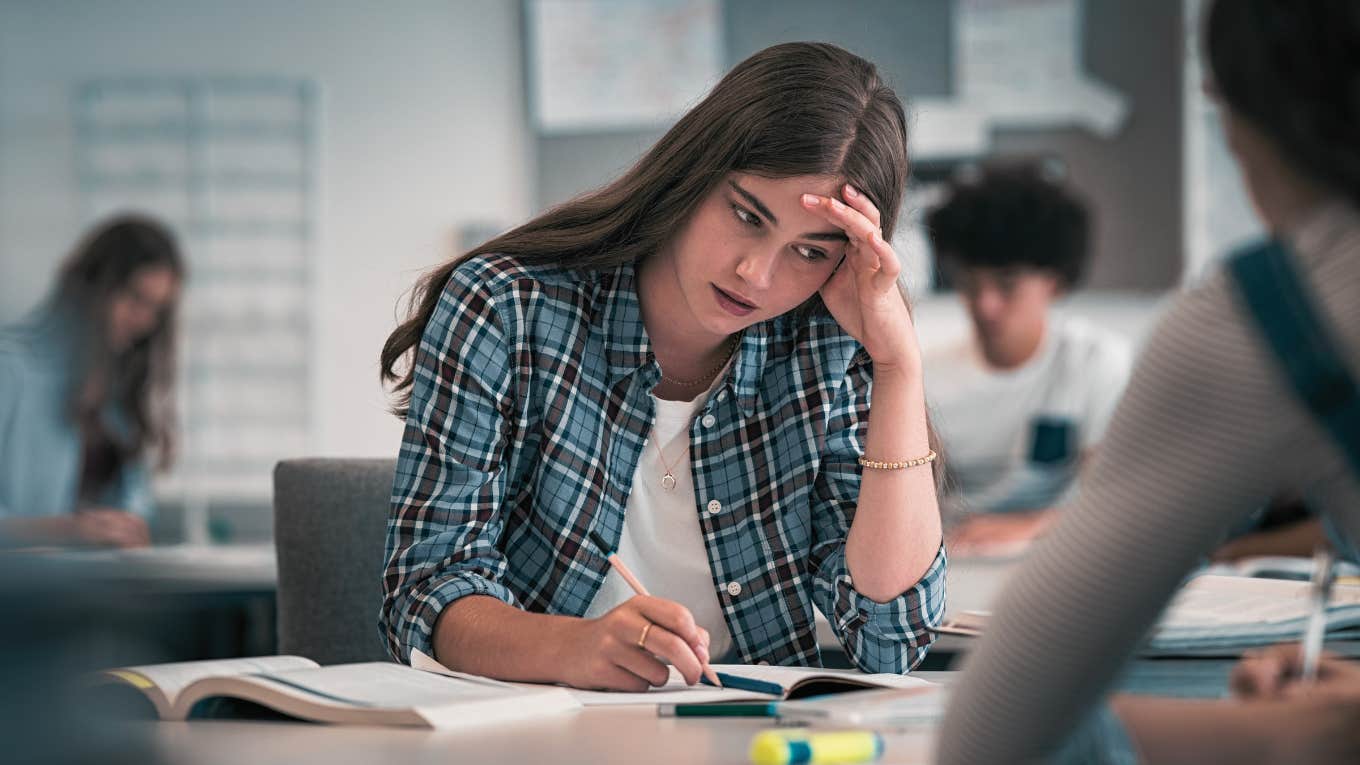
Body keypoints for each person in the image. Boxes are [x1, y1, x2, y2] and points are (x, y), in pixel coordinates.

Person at [378, 42, 947, 692]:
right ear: (694, 172)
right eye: (746, 215)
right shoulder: (507, 306)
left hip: (744, 736)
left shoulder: (827, 347)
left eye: (809, 251)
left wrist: (898, 363)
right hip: (531, 731)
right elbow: (425, 592)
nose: (756, 274)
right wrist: (577, 648)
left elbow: (892, 636)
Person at [938, 1, 1360, 762]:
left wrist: (1286, 734)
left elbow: (990, 737)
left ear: (1230, 113)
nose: (985, 304)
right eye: (971, 282)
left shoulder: (1270, 321)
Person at [923, 162, 1132, 555]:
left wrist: (1028, 527)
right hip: (951, 558)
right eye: (970, 284)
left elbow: (1116, 502)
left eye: (1007, 285)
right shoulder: (924, 377)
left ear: (1054, 282)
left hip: (1052, 557)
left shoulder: (1094, 363)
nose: (986, 306)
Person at [0, 215, 184, 549]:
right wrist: (68, 532)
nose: (145, 321)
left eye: (157, 309)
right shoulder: (9, 370)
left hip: (94, 593)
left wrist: (132, 533)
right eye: (134, 298)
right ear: (91, 286)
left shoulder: (118, 395)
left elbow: (136, 508)